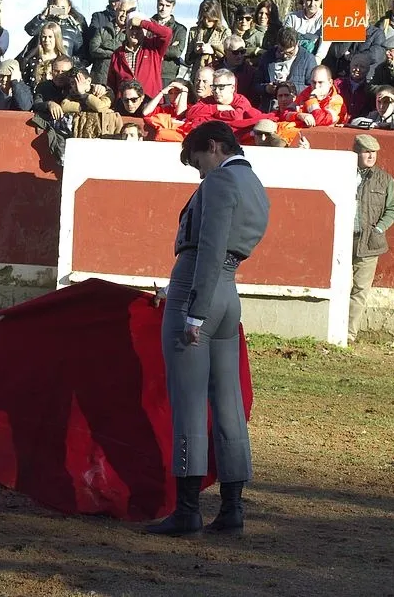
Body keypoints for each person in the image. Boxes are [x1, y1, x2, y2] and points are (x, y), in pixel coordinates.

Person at [148, 121, 270, 537]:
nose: (199, 171)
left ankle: (186, 512)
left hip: (198, 290)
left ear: (215, 147)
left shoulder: (220, 182)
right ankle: (233, 509)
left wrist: (193, 310)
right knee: (228, 403)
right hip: (229, 292)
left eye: (198, 160)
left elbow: (211, 245)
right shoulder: (253, 182)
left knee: (189, 402)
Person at [349, 134, 394, 344]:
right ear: (356, 152)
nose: (370, 156)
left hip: (369, 242)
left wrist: (379, 229)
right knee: (340, 287)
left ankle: (348, 334)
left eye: (373, 152)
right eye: (366, 151)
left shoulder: (385, 179)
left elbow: (393, 208)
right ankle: (332, 330)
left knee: (360, 289)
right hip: (343, 239)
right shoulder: (344, 173)